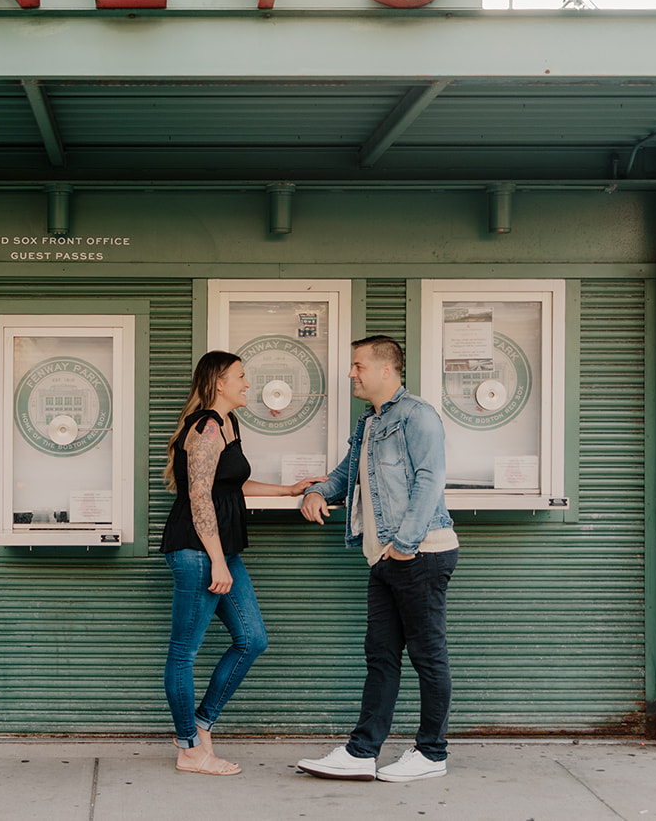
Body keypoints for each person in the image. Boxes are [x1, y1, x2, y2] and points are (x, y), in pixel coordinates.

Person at [294, 335, 459, 783]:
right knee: (381, 656)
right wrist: (315, 491)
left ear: (386, 369)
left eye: (358, 365)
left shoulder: (417, 416)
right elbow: (347, 474)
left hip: (420, 552)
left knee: (428, 655)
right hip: (386, 557)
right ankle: (362, 752)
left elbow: (430, 480)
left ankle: (432, 753)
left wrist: (405, 544)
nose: (351, 373)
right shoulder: (371, 422)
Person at [160, 350, 320, 776]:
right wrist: (217, 561)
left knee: (252, 639)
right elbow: (198, 496)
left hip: (219, 549)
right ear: (218, 383)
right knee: (184, 652)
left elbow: (231, 483)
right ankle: (189, 749)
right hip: (197, 551)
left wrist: (288, 491)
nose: (248, 384)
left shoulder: (229, 424)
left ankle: (202, 722)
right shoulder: (207, 427)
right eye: (241, 377)